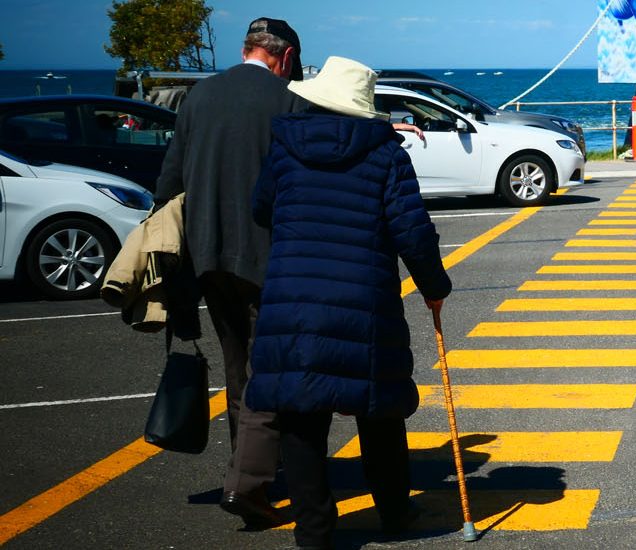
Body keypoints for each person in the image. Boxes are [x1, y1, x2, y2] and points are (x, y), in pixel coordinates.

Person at [246, 55, 452, 549]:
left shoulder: (284, 150)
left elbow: (260, 208)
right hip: (365, 297)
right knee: (377, 410)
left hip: (293, 297)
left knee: (301, 416)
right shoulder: (387, 155)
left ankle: (314, 530)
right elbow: (412, 231)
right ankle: (395, 512)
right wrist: (434, 287)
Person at [152, 16, 310, 528]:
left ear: (247, 50)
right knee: (271, 369)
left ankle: (247, 463)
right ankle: (247, 484)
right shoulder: (288, 101)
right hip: (267, 255)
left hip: (207, 255)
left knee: (237, 364)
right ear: (284, 57)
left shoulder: (197, 98)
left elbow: (169, 181)